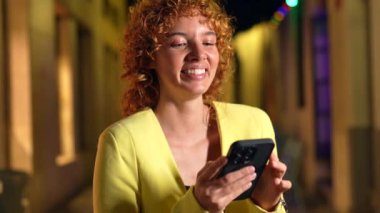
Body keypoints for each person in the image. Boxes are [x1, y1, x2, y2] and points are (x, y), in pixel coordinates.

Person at [93, 0, 292, 212]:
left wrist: (268, 204)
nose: (198, 54)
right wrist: (198, 205)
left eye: (208, 42)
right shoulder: (121, 142)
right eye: (179, 43)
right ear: (149, 56)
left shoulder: (254, 122)